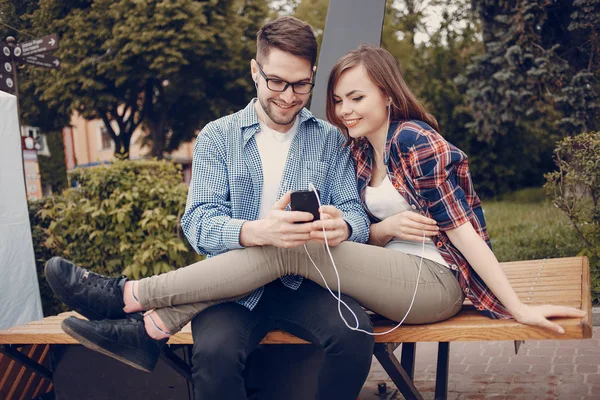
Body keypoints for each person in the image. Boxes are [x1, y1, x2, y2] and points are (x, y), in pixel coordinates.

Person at [47, 43, 587, 396]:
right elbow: (369, 223)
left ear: (387, 94)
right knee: (293, 238)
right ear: (255, 73)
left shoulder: (414, 141)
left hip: (436, 283)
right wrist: (367, 228)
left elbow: (465, 230)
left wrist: (515, 305)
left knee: (292, 240)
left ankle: (131, 298)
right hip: (385, 273)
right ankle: (153, 324)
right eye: (339, 98)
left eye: (357, 97)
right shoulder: (358, 149)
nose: (345, 108)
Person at [46, 16, 376, 400]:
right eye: (277, 82)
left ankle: (128, 302)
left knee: (355, 335)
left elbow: (355, 213)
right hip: (229, 294)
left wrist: (345, 227)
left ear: (313, 74)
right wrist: (254, 231)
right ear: (255, 71)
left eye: (301, 84)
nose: (288, 96)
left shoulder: (331, 139)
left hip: (306, 285)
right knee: (214, 357)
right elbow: (198, 224)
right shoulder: (218, 137)